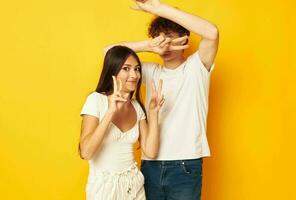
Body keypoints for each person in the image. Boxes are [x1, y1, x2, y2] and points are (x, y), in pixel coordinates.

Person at [104, 0, 219, 199]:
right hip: (151, 164)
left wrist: (159, 9)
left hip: (185, 166)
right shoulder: (148, 71)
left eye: (170, 39)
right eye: (159, 40)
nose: (165, 45)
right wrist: (149, 45)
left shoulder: (196, 67)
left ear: (184, 39)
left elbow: (212, 32)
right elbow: (109, 53)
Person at [79, 45, 164, 200]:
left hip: (134, 184)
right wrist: (110, 112)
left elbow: (150, 152)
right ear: (113, 71)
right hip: (105, 188)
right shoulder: (96, 100)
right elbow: (86, 152)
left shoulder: (137, 107)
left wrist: (153, 113)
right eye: (126, 68)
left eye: (137, 69)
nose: (134, 75)